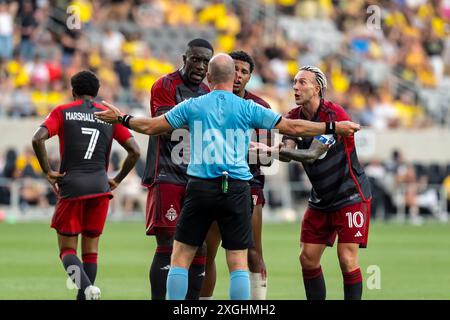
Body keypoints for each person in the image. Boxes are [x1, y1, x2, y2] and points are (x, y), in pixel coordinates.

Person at [95, 53, 361, 300]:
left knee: (181, 256)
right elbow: (292, 126)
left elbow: (152, 126)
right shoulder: (247, 108)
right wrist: (333, 126)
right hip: (236, 189)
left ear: (209, 79)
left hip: (200, 187)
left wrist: (122, 118)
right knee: (237, 261)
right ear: (233, 76)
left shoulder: (193, 105)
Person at [264, 66, 372, 300]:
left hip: (350, 195)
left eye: (302, 82)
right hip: (321, 198)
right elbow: (288, 151)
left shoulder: (335, 115)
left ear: (317, 88)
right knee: (307, 258)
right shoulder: (293, 117)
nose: (295, 87)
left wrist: (275, 152)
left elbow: (312, 154)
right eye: (294, 82)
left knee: (346, 259)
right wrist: (275, 150)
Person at [32, 70, 140, 300]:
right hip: (100, 187)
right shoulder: (108, 115)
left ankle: (87, 289)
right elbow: (135, 151)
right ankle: (87, 293)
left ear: (73, 92)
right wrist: (117, 179)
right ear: (97, 92)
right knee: (90, 252)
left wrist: (48, 172)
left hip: (72, 187)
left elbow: (37, 138)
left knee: (67, 251)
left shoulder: (62, 112)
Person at [142, 38, 213, 300]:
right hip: (167, 173)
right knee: (167, 243)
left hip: (198, 177)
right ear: (184, 59)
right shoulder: (164, 85)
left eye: (206, 61)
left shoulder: (207, 92)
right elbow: (165, 123)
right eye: (196, 59)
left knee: (200, 245)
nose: (200, 66)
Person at [200, 51, 272, 300]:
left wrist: (231, 150)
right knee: (208, 252)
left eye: (244, 72)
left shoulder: (260, 107)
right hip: (211, 183)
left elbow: (266, 157)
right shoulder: (206, 101)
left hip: (248, 185)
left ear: (250, 77)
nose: (239, 76)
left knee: (252, 252)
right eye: (236, 70)